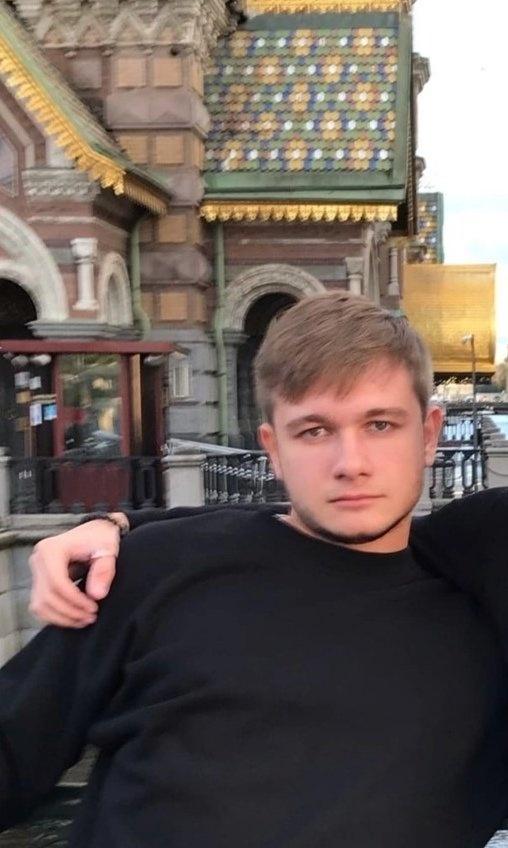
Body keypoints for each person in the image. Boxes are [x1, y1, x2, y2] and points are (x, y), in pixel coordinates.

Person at [3, 291, 508, 848]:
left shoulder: (474, 603)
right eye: (314, 431)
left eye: (381, 425)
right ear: (272, 448)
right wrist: (118, 524)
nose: (351, 464)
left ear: (429, 434)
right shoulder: (155, 570)